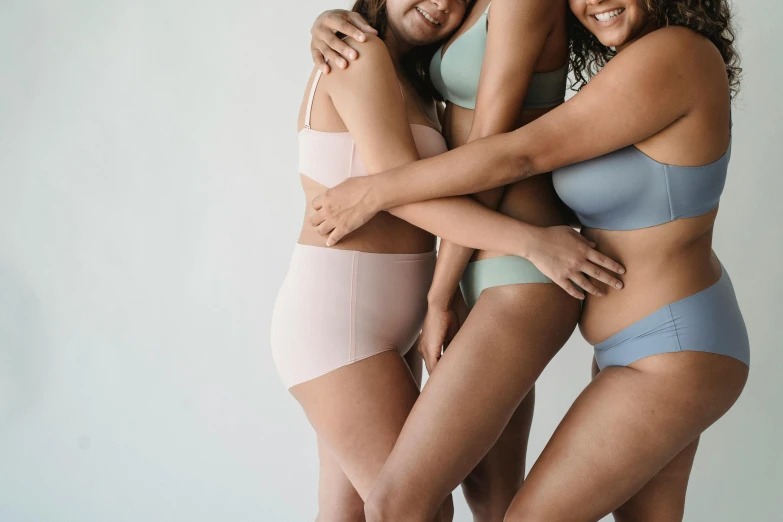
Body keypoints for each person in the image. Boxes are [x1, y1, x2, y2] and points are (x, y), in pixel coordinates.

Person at [309, 0, 749, 520]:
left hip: (673, 348)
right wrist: (335, 22)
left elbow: (520, 154)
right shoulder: (630, 64)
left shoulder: (676, 54)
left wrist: (379, 192)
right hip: (633, 346)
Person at [271, 1, 623, 520]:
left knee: (349, 513)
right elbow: (404, 194)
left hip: (391, 326)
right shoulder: (359, 54)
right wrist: (528, 241)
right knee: (419, 509)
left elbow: (414, 182)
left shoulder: (415, 81)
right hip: (340, 320)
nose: (442, 3)